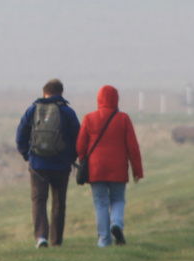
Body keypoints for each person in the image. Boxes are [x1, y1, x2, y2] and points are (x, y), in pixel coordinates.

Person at [15, 78, 80, 248]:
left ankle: (41, 237)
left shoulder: (32, 110)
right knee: (59, 202)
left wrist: (28, 155)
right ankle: (56, 241)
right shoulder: (68, 112)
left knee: (39, 200)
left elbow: (20, 136)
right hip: (61, 165)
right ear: (61, 93)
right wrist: (71, 157)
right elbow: (78, 139)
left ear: (44, 93)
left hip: (38, 165)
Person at [76, 84, 143, 247]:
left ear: (99, 99)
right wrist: (137, 170)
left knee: (101, 203)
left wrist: (83, 160)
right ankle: (117, 224)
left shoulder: (89, 118)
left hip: (96, 169)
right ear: (116, 99)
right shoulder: (123, 119)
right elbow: (133, 147)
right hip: (118, 169)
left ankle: (104, 239)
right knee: (118, 199)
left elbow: (80, 145)